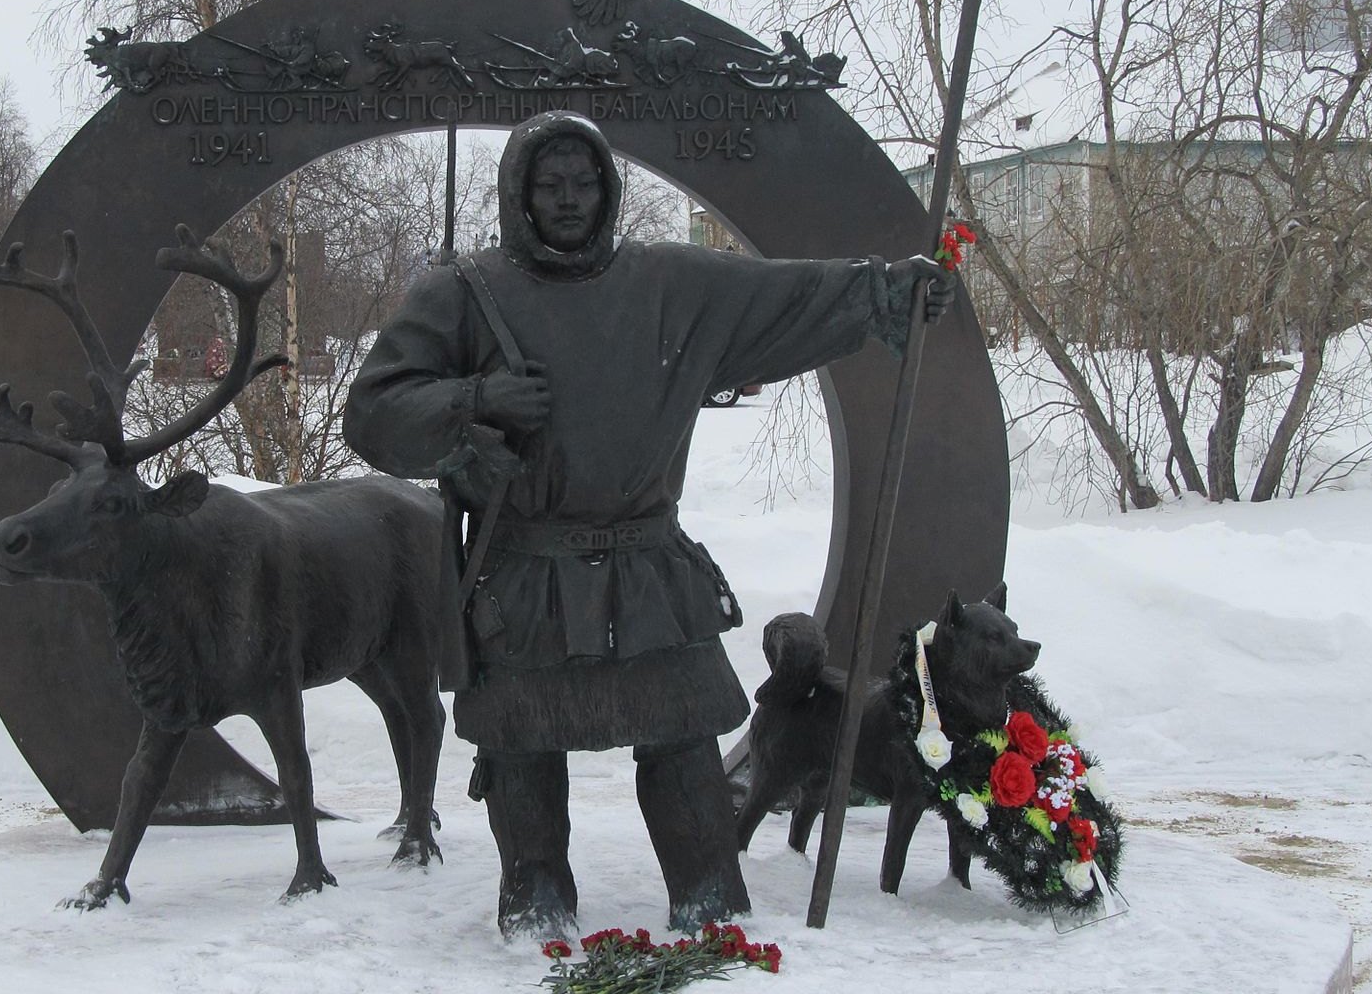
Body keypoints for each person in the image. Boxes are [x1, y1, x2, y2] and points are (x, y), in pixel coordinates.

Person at [342, 111, 951, 939]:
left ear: (609, 189)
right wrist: (474, 400)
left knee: (683, 747)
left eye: (584, 182)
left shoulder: (669, 286)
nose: (568, 200)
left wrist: (885, 293)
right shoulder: (460, 293)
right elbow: (372, 415)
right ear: (519, 191)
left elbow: (786, 297)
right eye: (549, 184)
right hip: (522, 576)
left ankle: (707, 901)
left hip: (647, 573)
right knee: (522, 757)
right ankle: (536, 909)